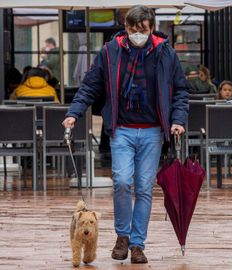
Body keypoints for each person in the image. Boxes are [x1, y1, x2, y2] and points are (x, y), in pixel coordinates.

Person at [62, 5, 189, 264]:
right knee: (121, 181)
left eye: (142, 30)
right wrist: (74, 112)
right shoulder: (111, 51)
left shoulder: (166, 53)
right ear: (126, 27)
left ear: (151, 28)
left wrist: (178, 120)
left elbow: (180, 91)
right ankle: (122, 235)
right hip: (122, 130)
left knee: (143, 188)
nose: (136, 34)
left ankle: (137, 244)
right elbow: (91, 84)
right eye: (132, 29)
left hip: (153, 131)